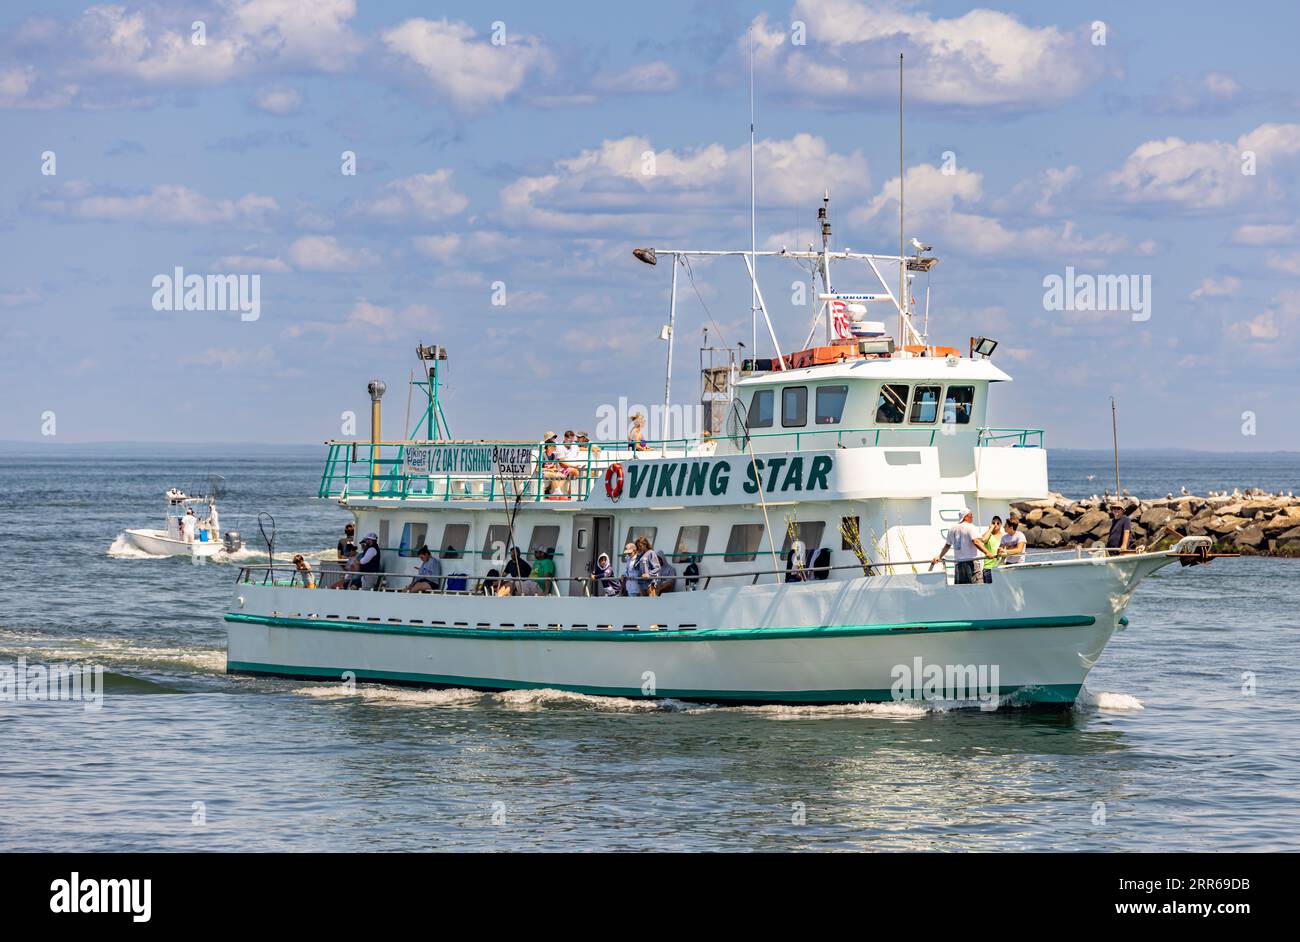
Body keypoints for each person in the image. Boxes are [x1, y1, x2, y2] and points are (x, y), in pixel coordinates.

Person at [930, 507, 983, 585]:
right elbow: (976, 542)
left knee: (961, 590)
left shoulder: (952, 528)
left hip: (959, 564)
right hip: (971, 563)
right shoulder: (970, 527)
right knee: (978, 588)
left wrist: (939, 556)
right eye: (971, 515)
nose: (973, 516)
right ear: (966, 516)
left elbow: (947, 545)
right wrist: (988, 553)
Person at [979, 516, 1004, 584]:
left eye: (998, 523)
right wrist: (990, 528)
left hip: (1000, 567)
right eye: (993, 523)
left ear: (1001, 525)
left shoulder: (1004, 536)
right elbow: (983, 540)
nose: (995, 524)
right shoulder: (988, 535)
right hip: (988, 568)